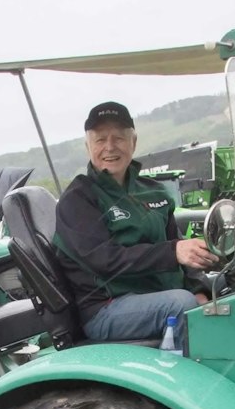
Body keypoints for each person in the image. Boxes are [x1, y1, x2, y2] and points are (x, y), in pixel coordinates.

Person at [53, 101, 217, 343]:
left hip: (158, 292)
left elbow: (179, 246)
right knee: (180, 305)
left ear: (134, 142)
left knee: (231, 286)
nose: (110, 147)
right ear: (88, 146)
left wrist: (200, 289)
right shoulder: (78, 199)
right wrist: (172, 253)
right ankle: (190, 375)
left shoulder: (154, 192)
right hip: (107, 307)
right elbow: (105, 260)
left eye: (118, 138)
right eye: (100, 140)